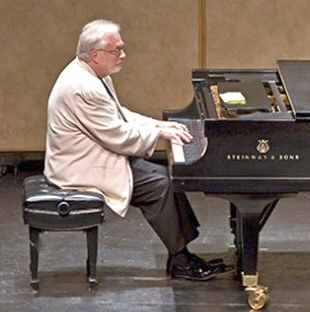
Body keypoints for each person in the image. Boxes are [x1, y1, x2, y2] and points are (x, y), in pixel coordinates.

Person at [44, 19, 228, 281]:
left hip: (91, 156)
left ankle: (181, 255)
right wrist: (158, 133)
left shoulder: (92, 74)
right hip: (79, 168)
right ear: (95, 55)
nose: (123, 55)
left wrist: (158, 124)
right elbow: (117, 135)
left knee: (165, 177)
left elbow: (119, 115)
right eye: (116, 50)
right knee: (161, 185)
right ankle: (182, 261)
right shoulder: (83, 87)